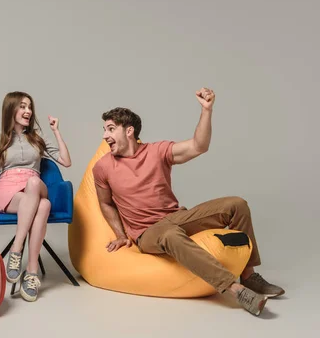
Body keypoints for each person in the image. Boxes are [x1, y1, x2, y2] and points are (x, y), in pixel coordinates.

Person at [93, 88, 284, 316]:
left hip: (177, 217)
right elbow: (106, 203)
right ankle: (235, 290)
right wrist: (122, 235)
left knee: (237, 204)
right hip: (148, 232)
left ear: (129, 131)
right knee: (170, 234)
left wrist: (206, 110)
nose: (105, 135)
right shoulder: (103, 166)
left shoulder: (157, 151)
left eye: (111, 129)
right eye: (104, 129)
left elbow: (198, 146)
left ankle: (249, 275)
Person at [0, 91, 71, 302]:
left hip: (34, 184)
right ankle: (31, 273)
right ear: (11, 109)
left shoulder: (38, 139)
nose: (28, 111)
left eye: (29, 107)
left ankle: (16, 248)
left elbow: (66, 161)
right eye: (22, 106)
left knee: (32, 183)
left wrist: (56, 131)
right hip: (8, 191)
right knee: (44, 206)